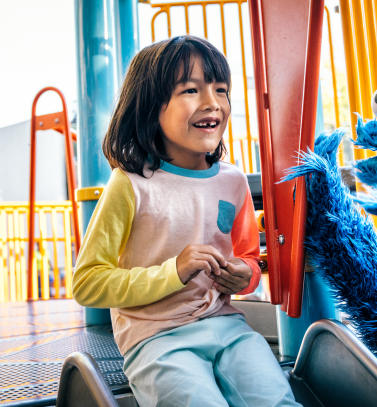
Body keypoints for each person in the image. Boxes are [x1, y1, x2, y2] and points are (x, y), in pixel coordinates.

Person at [72, 35, 301, 407]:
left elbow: (247, 257)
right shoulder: (130, 184)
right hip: (156, 338)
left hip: (229, 329)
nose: (212, 103)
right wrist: (173, 271)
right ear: (150, 108)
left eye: (221, 90)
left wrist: (246, 274)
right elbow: (87, 283)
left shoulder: (232, 181)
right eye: (191, 90)